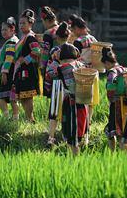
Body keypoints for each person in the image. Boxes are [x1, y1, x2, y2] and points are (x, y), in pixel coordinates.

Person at [47, 43, 86, 155]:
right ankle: (74, 157)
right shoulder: (80, 65)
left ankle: (74, 158)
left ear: (62, 55)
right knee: (77, 134)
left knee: (71, 135)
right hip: (82, 102)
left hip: (71, 103)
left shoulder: (62, 68)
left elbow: (51, 74)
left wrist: (55, 60)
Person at [69, 14, 99, 143]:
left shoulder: (79, 41)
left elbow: (75, 57)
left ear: (77, 28)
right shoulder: (93, 39)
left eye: (73, 29)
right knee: (91, 100)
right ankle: (89, 121)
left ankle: (83, 126)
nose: (72, 32)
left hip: (83, 73)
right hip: (94, 72)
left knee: (82, 100)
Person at [44, 21, 70, 146]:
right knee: (68, 111)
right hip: (70, 85)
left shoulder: (55, 50)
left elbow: (50, 70)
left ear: (57, 37)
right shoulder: (74, 50)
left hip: (57, 84)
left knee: (54, 112)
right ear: (68, 36)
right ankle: (66, 136)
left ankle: (51, 137)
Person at [13, 9, 42, 123]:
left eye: (24, 23)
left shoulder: (30, 37)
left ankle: (30, 119)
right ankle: (28, 119)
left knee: (28, 96)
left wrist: (25, 60)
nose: (21, 25)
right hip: (22, 70)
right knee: (23, 96)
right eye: (20, 23)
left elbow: (37, 51)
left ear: (30, 23)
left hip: (28, 71)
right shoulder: (23, 38)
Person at [101, 46, 127, 151]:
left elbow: (110, 88)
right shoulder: (126, 69)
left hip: (117, 104)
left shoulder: (112, 72)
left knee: (117, 132)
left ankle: (114, 155)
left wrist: (111, 99)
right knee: (122, 131)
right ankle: (123, 156)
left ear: (107, 63)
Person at [0, 17, 20, 119]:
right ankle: (15, 119)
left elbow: (9, 58)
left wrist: (4, 72)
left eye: (6, 29)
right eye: (2, 29)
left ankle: (6, 118)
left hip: (9, 71)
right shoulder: (14, 40)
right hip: (14, 71)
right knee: (12, 97)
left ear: (12, 30)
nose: (3, 32)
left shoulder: (11, 42)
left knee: (1, 96)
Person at [39, 6, 59, 75]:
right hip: (65, 64)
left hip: (53, 67)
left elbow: (45, 52)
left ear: (47, 21)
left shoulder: (48, 33)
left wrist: (42, 66)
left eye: (43, 21)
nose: (43, 24)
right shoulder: (62, 29)